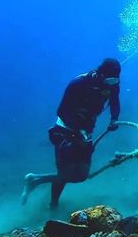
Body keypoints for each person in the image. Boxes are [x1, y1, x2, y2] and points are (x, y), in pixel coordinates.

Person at [21, 58, 122, 208]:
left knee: (81, 176)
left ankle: (35, 179)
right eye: (111, 80)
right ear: (100, 74)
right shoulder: (78, 83)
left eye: (115, 81)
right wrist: (77, 130)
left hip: (86, 132)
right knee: (64, 173)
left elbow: (115, 103)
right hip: (65, 130)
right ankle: (53, 205)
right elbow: (62, 111)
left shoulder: (113, 85)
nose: (112, 84)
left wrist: (114, 119)